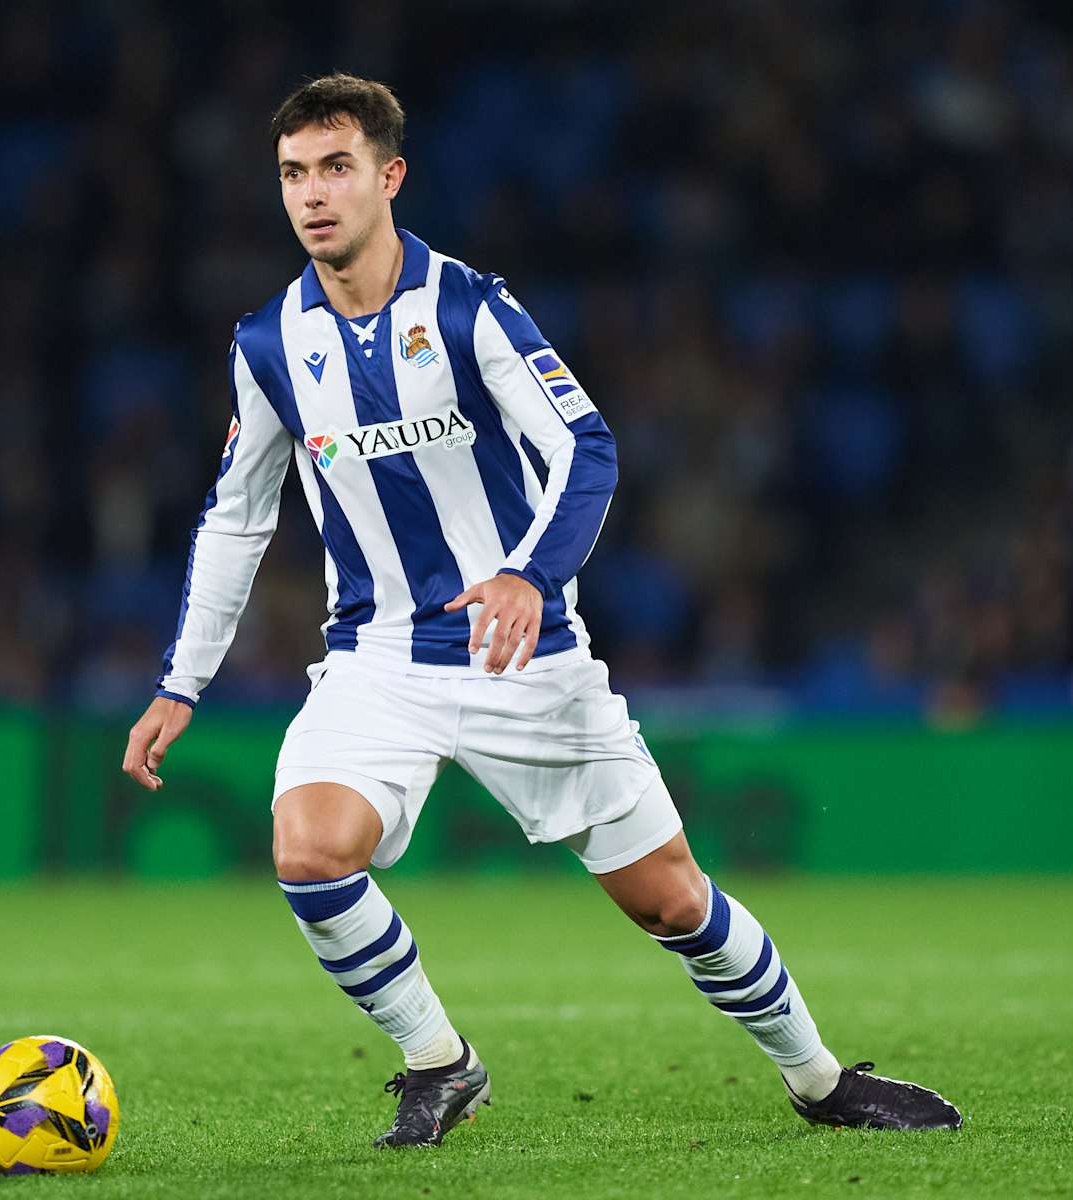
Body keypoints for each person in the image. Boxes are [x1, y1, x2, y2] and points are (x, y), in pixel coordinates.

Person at [122, 74, 961, 1148]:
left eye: (336, 169)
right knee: (308, 848)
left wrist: (528, 572)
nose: (313, 195)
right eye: (293, 174)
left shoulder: (469, 306)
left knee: (671, 902)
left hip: (525, 656)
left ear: (390, 177)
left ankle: (820, 1081)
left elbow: (587, 447)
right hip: (376, 658)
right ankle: (440, 1062)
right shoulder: (269, 346)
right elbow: (236, 520)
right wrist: (180, 681)